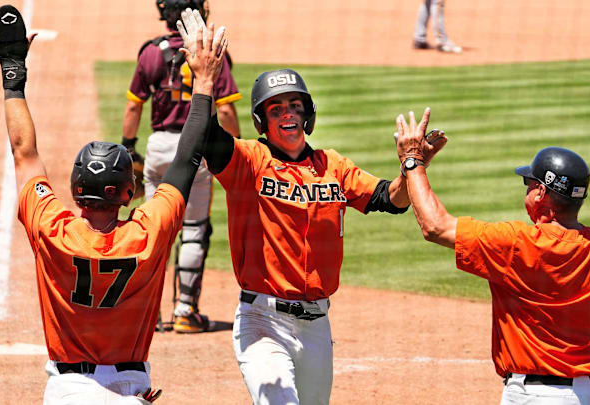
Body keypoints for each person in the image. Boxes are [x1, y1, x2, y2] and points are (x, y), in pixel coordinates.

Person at [174, 11, 414, 401]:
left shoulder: (333, 166)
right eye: (276, 108)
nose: (288, 113)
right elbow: (203, 136)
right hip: (262, 321)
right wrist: (204, 79)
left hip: (317, 325)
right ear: (261, 120)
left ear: (308, 114)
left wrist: (412, 165)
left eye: (295, 105)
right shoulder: (248, 162)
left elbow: (393, 199)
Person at [0, 4, 227, 403]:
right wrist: (204, 81)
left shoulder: (52, 228)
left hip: (67, 391)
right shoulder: (148, 232)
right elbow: (187, 157)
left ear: (75, 187)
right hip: (130, 387)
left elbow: (23, 152)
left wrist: (13, 75)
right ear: (125, 193)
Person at [393, 108, 590, 404]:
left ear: (541, 194)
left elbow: (435, 227)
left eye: (529, 185)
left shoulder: (518, 244)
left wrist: (413, 162)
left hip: (539, 395)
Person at [122, 0, 242, 333]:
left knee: (153, 230)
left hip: (159, 148)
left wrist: (128, 146)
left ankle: (147, 313)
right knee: (193, 229)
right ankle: (186, 311)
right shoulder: (210, 52)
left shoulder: (150, 52)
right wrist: (238, 151)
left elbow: (133, 109)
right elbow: (228, 113)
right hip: (197, 150)